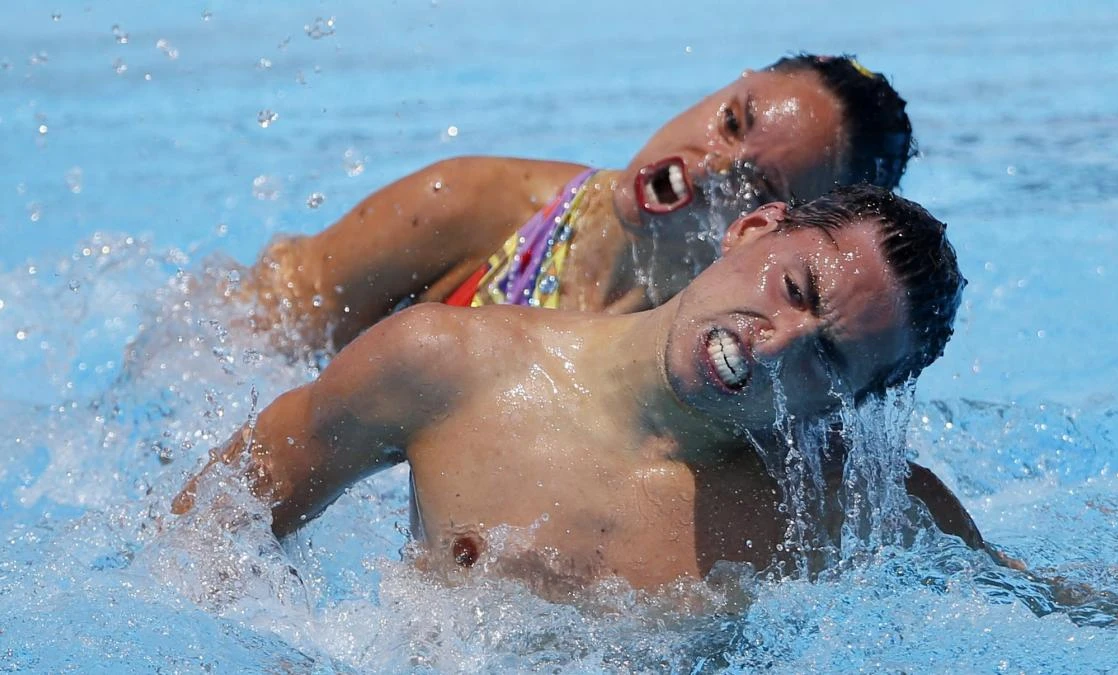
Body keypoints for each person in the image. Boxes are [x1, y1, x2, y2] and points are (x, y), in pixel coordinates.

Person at [175, 185, 978, 591]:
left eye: (828, 360)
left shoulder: (850, 506)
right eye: (796, 288)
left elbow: (1021, 608)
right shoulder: (446, 363)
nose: (777, 343)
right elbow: (209, 522)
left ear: (841, 404)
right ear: (752, 228)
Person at [239, 55, 914, 351]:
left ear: (776, 227)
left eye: (757, 187)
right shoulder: (473, 206)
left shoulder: (736, 358)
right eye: (731, 120)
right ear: (728, 85)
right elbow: (251, 330)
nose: (707, 165)